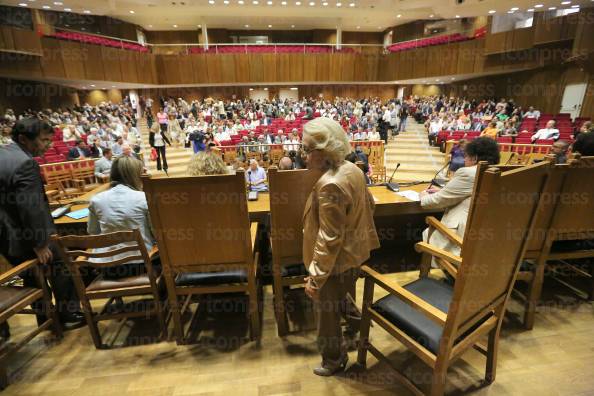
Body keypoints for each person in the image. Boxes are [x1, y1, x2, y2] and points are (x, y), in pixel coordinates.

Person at [301, 117, 380, 377]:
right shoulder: (353, 169)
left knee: (326, 314)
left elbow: (329, 237)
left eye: (307, 149)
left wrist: (316, 277)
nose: (303, 155)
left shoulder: (330, 184)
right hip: (354, 254)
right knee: (342, 298)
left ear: (323, 153)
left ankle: (333, 360)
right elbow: (370, 204)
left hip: (334, 262)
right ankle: (360, 327)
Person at [0, 118, 84, 332]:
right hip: (26, 234)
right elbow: (31, 207)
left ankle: (45, 319)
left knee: (30, 276)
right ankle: (68, 314)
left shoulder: (4, 154)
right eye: (44, 140)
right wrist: (40, 243)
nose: (49, 145)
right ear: (23, 139)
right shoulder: (25, 163)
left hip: (6, 235)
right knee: (61, 264)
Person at [420, 137, 500, 269]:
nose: (464, 160)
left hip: (460, 239)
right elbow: (470, 192)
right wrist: (445, 190)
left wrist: (423, 196)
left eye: (466, 156)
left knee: (427, 230)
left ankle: (437, 273)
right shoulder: (497, 172)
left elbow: (435, 202)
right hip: (486, 239)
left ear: (474, 158)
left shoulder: (468, 173)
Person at [87, 156, 157, 279]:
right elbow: (156, 233)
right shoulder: (143, 198)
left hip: (109, 269)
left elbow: (93, 232)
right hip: (142, 265)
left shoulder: (96, 199)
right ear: (135, 175)